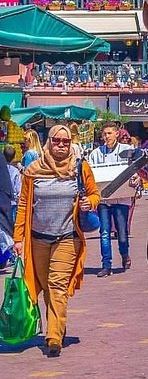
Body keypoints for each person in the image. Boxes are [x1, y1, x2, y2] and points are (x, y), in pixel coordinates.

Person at [13, 125, 100, 357]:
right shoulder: (32, 170)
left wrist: (88, 203)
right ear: (48, 142)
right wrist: (18, 238)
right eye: (57, 141)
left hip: (67, 238)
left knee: (57, 285)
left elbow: (95, 194)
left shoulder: (79, 168)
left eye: (66, 141)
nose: (61, 145)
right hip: (38, 240)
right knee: (45, 288)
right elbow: (23, 205)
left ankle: (53, 338)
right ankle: (58, 325)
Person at [88, 122, 134, 277]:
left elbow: (133, 170)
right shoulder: (95, 154)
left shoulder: (127, 151)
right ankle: (106, 264)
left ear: (117, 134)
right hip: (103, 200)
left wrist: (135, 181)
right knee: (105, 232)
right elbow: (91, 174)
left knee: (122, 232)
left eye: (109, 133)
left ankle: (124, 254)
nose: (106, 136)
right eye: (104, 134)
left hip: (121, 198)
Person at [4, 146, 21, 225]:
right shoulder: (15, 171)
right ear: (14, 157)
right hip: (12, 203)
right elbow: (18, 190)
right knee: (11, 224)